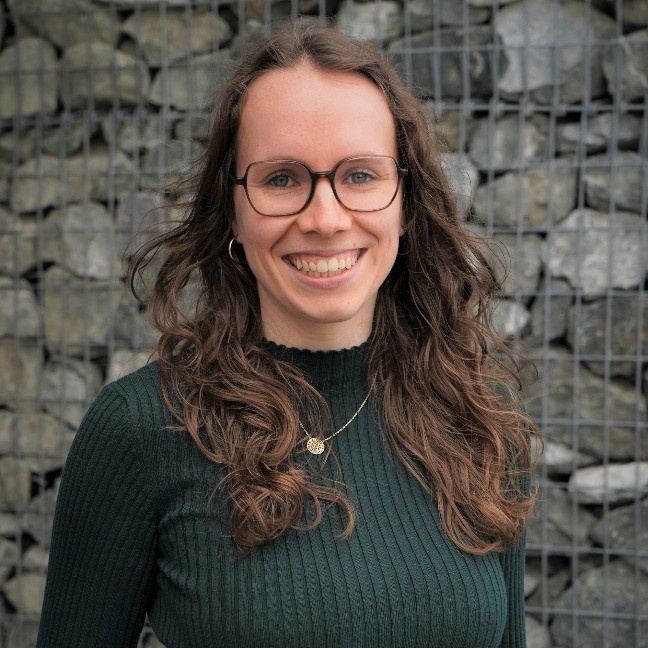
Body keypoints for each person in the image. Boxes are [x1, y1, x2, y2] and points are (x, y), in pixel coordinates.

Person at [37, 23, 538, 648]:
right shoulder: (139, 430)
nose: (325, 219)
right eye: (281, 179)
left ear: (406, 202)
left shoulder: (480, 418)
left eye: (360, 175)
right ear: (232, 209)